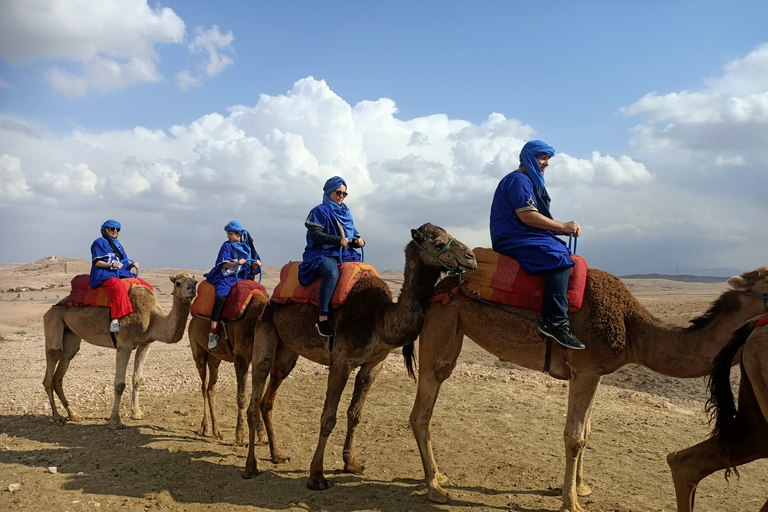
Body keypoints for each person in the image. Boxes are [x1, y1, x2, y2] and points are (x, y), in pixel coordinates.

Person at [489, 140, 585, 350]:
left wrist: (562, 229)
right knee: (558, 258)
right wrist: (563, 226)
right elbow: (527, 217)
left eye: (548, 159)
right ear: (529, 158)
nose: (546, 163)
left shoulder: (528, 182)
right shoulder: (518, 180)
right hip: (513, 237)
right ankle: (556, 322)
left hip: (524, 235)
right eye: (543, 158)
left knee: (561, 248)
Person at [298, 176, 365, 339]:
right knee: (331, 273)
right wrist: (337, 240)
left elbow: (352, 233)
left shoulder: (345, 212)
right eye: (338, 192)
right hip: (321, 252)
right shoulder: (319, 211)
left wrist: (359, 241)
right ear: (329, 192)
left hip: (344, 253)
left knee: (363, 274)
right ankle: (323, 317)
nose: (341, 196)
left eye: (344, 193)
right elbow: (315, 234)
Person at [203, 221, 261, 349]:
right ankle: (213, 332)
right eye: (227, 233)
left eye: (230, 234)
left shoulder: (249, 247)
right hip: (227, 276)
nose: (228, 236)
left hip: (244, 276)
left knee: (260, 295)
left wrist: (256, 265)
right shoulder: (226, 245)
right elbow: (223, 264)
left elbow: (253, 266)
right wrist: (236, 263)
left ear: (239, 234)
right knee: (221, 296)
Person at [89, 220, 148, 333]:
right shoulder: (99, 242)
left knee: (144, 286)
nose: (115, 231)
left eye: (117, 229)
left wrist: (131, 265)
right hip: (104, 273)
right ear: (106, 230)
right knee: (118, 288)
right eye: (112, 229)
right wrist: (112, 264)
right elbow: (97, 262)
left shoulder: (118, 245)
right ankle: (115, 320)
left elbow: (123, 263)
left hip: (120, 273)